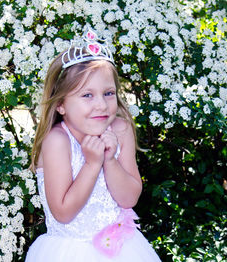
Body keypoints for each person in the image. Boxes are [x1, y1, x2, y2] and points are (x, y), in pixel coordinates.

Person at [26, 29, 161, 261]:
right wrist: (92, 163)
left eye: (108, 93)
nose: (101, 105)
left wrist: (109, 160)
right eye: (87, 95)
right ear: (61, 105)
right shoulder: (57, 142)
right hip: (69, 252)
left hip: (122, 250)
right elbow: (63, 212)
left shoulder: (120, 129)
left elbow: (129, 199)